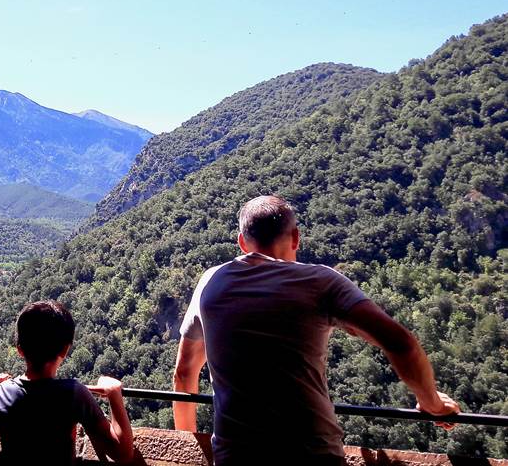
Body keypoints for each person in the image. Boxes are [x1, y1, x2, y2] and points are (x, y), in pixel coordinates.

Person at [173, 195, 461, 466]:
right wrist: (432, 404)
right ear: (296, 237)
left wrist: (185, 446)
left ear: (242, 243)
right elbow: (401, 343)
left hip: (236, 455)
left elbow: (184, 374)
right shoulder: (322, 282)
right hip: (312, 453)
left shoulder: (211, 282)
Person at [0, 300, 135, 465]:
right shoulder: (74, 393)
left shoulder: (3, 392)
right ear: (65, 349)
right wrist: (114, 394)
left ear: (19, 349)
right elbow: (122, 453)